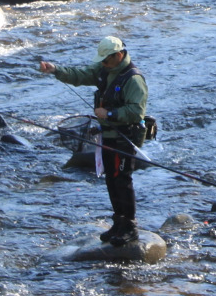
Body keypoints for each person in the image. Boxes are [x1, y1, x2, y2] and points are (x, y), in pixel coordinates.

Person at [39, 37, 151, 246]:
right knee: (111, 179)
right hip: (107, 136)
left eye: (106, 60)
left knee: (122, 181)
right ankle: (118, 223)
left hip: (124, 138)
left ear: (118, 56)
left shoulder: (134, 80)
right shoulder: (103, 70)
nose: (102, 64)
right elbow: (79, 75)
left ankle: (130, 228)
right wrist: (54, 69)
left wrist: (109, 113)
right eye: (101, 61)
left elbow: (136, 112)